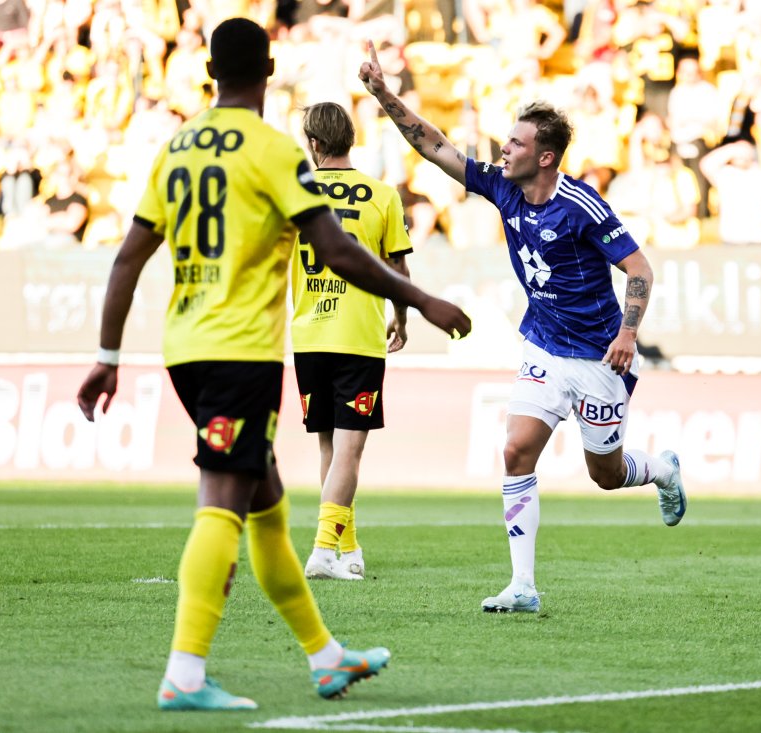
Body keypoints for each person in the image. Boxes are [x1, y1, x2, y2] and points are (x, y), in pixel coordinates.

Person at [76, 18, 470, 712]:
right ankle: (185, 672)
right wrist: (422, 298)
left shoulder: (178, 148)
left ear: (208, 69)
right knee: (221, 507)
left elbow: (127, 258)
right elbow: (341, 250)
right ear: (269, 67)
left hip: (186, 347)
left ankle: (325, 656)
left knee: (267, 508)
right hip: (240, 353)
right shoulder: (275, 151)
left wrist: (107, 356)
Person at [359, 40, 685, 615]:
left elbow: (638, 268)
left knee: (605, 475)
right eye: (507, 139)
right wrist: (385, 94)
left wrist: (627, 334)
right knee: (514, 451)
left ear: (546, 158)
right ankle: (524, 586)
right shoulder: (503, 186)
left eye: (516, 143)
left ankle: (660, 470)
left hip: (596, 357)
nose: (503, 149)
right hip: (544, 346)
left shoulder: (583, 206)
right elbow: (434, 145)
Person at [292, 101, 413, 581]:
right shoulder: (382, 194)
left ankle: (348, 548)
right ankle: (323, 551)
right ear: (350, 139)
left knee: (329, 448)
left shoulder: (295, 193)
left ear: (314, 144)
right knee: (349, 450)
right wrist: (401, 318)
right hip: (358, 337)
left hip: (308, 335)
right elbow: (399, 268)